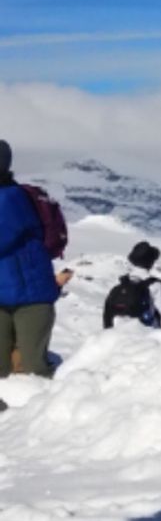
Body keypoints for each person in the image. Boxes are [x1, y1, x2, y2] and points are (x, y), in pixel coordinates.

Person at [0, 138, 59, 380]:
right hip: (4, 297)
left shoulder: (11, 198)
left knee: (35, 368)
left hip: (31, 298)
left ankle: (61, 410)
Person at [103, 241, 161, 331]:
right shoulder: (155, 285)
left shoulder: (121, 284)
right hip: (146, 336)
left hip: (118, 336)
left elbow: (107, 314)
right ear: (151, 263)